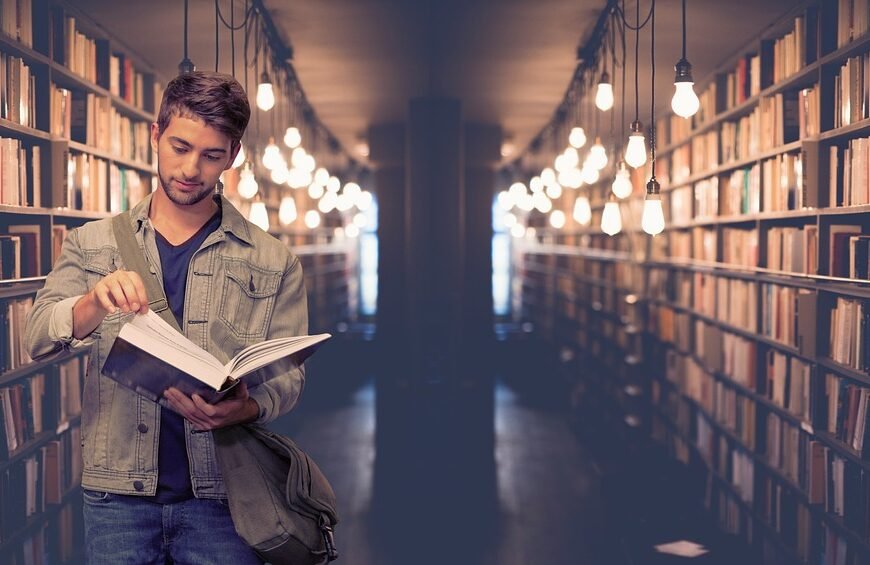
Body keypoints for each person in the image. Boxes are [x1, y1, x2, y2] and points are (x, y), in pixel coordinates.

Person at [24, 70, 307, 564]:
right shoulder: (92, 243)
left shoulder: (273, 259)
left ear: (232, 156)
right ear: (155, 135)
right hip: (117, 498)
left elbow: (288, 378)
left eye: (211, 155)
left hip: (223, 498)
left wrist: (246, 408)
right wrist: (93, 301)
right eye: (179, 146)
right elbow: (37, 336)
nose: (190, 169)